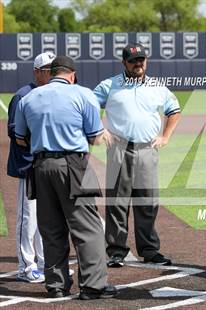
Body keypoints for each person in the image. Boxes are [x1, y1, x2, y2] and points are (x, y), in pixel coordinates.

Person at [14, 56, 117, 300]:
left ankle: (56, 285)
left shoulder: (28, 98)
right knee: (87, 227)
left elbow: (20, 138)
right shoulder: (82, 94)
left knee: (51, 228)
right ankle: (93, 286)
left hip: (40, 166)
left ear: (50, 73)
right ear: (71, 74)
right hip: (73, 164)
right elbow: (94, 136)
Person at [94, 43, 181, 267]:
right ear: (124, 63)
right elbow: (88, 107)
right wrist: (100, 130)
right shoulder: (109, 85)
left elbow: (174, 110)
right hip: (119, 148)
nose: (138, 63)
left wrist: (165, 136)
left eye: (141, 59)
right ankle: (116, 250)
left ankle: (150, 250)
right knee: (117, 202)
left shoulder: (157, 86)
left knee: (148, 201)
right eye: (133, 61)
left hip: (147, 149)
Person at [7, 52, 56, 283]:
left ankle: (46, 263)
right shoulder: (22, 96)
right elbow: (16, 133)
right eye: (47, 69)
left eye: (53, 69)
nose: (51, 73)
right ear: (37, 72)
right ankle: (26, 267)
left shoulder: (54, 93)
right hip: (29, 166)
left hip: (47, 166)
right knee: (28, 218)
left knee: (45, 218)